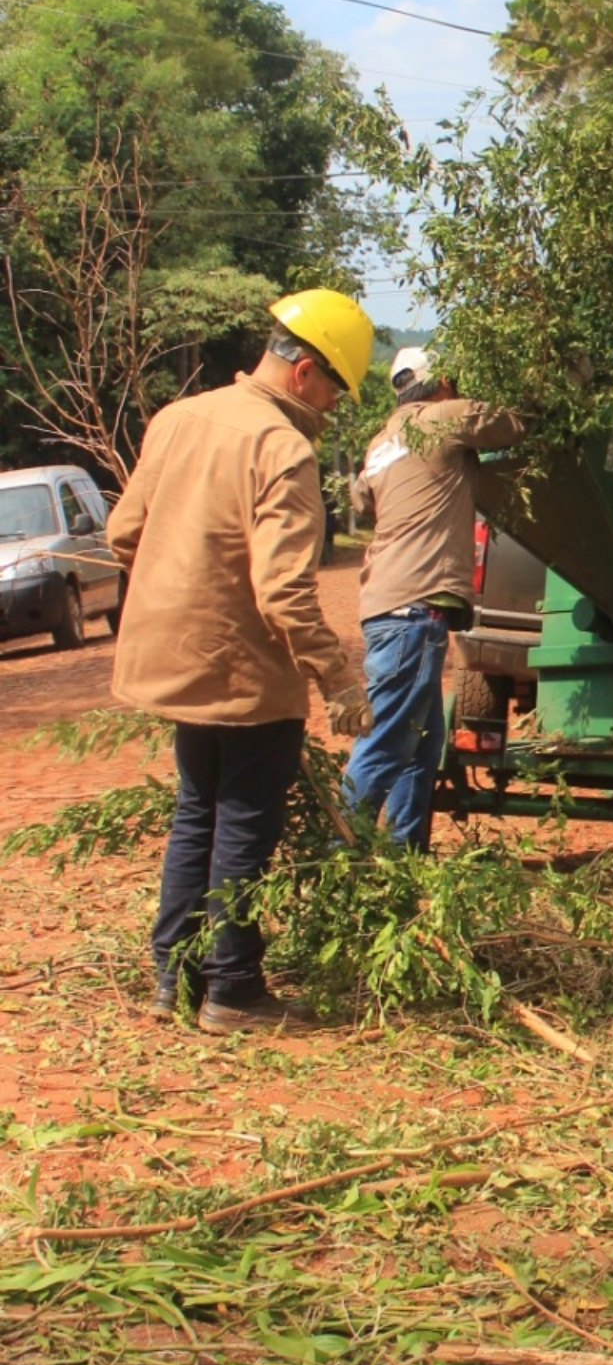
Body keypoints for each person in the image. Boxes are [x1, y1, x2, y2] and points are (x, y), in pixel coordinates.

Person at [108, 288, 377, 1036]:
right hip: (247, 673)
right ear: (304, 372)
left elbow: (123, 533)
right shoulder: (281, 447)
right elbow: (286, 593)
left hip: (178, 665)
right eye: (335, 388)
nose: (332, 406)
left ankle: (174, 979)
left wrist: (187, 578)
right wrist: (339, 678)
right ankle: (233, 990)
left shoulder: (177, 419)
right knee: (242, 824)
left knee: (197, 812)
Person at [343, 346, 523, 850]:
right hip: (413, 606)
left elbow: (361, 498)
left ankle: (406, 856)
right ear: (442, 381)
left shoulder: (382, 440)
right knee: (389, 739)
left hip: (387, 603)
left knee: (421, 745)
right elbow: (514, 423)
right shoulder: (444, 417)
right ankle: (336, 853)